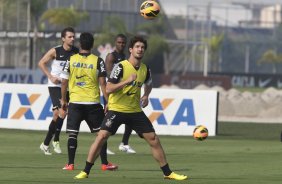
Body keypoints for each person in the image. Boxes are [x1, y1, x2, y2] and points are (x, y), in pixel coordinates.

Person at [74, 35, 188, 180]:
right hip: (116, 109)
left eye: (142, 47)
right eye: (137, 47)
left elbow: (149, 84)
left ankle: (168, 173)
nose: (140, 49)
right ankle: (85, 171)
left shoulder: (145, 69)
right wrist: (127, 81)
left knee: (153, 139)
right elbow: (108, 88)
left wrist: (146, 95)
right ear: (131, 50)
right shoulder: (120, 67)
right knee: (101, 136)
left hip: (135, 111)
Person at [60, 32, 118, 171]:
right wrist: (108, 102)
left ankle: (70, 164)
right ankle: (104, 163)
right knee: (101, 134)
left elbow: (63, 82)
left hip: (75, 102)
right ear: (92, 45)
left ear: (80, 44)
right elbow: (103, 83)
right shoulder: (98, 61)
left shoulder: (71, 59)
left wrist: (64, 100)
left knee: (73, 134)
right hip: (93, 103)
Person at [38, 27, 79, 155]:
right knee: (58, 113)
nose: (72, 39)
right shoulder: (56, 51)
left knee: (62, 114)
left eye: (73, 36)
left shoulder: (76, 52)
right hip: (55, 85)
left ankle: (46, 143)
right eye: (70, 37)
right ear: (63, 38)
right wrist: (50, 76)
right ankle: (54, 140)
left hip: (67, 86)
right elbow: (41, 63)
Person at [105, 34, 136, 154]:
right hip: (112, 92)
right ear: (115, 43)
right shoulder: (111, 56)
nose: (121, 44)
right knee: (108, 119)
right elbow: (109, 76)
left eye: (123, 43)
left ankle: (124, 143)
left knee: (130, 118)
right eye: (119, 42)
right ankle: (104, 145)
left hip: (123, 91)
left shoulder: (125, 57)